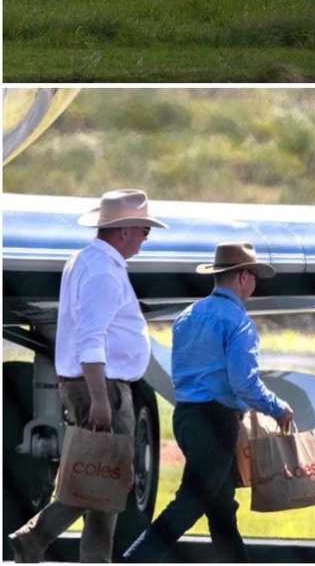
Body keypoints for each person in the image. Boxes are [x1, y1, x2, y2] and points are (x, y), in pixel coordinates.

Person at [9, 189, 167, 564]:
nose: (145, 239)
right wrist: (99, 398)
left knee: (104, 477)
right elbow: (91, 338)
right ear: (124, 230)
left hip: (96, 384)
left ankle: (92, 557)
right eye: (144, 230)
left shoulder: (87, 261)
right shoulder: (102, 272)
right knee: (106, 476)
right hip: (104, 386)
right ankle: (36, 536)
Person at [123, 242, 293, 564]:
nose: (255, 283)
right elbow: (243, 382)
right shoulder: (238, 322)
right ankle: (133, 559)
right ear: (243, 276)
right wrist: (276, 407)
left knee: (221, 507)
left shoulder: (188, 316)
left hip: (187, 416)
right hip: (216, 421)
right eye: (254, 275)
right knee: (192, 501)